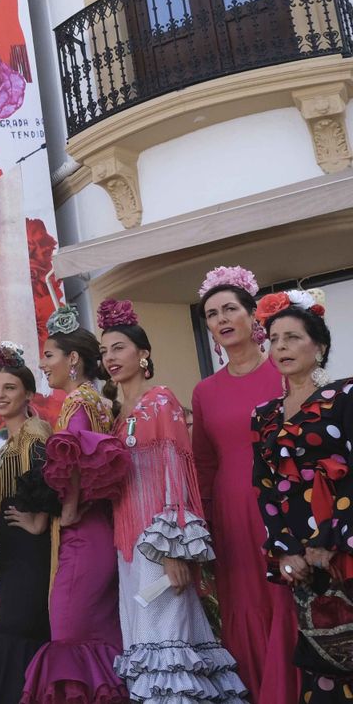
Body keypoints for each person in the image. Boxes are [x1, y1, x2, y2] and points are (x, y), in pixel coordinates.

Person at [97, 299, 246, 703]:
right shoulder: (113, 415)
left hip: (158, 547)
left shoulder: (161, 401)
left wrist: (175, 551)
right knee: (147, 646)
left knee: (171, 645)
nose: (110, 357)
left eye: (119, 348)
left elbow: (176, 479)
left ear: (143, 353)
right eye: (104, 350)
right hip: (127, 549)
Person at [191, 266, 297, 704]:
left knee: (289, 601)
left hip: (289, 506)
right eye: (212, 314)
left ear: (254, 315)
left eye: (230, 308)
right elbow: (203, 464)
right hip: (233, 514)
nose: (221, 319)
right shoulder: (205, 391)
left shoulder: (286, 371)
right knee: (245, 607)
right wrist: (204, 527)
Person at [18, 308, 130, 704]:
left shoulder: (77, 403)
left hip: (83, 533)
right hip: (102, 530)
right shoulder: (99, 399)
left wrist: (67, 509)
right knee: (100, 635)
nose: (43, 364)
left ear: (73, 360)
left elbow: (77, 454)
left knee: (69, 635)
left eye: (49, 355)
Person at [250, 291, 353, 702]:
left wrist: (330, 541)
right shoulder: (264, 414)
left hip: (343, 547)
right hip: (299, 557)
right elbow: (265, 486)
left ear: (320, 345)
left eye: (292, 337)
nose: (281, 348)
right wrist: (286, 549)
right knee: (323, 660)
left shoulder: (344, 396)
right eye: (274, 339)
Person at [0, 344, 57, 704]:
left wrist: (38, 521)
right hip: (10, 554)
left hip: (30, 553)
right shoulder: (8, 442)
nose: (0, 395)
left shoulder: (35, 432)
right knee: (13, 628)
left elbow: (51, 479)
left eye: (9, 388)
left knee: (19, 630)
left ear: (27, 394)